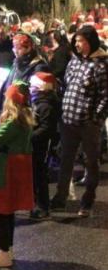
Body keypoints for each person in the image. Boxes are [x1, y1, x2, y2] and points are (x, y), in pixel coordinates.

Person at [51, 25, 108, 217]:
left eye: (81, 41)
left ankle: (87, 201)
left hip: (88, 124)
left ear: (91, 42)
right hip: (68, 120)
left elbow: (105, 96)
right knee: (66, 159)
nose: (77, 44)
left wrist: (95, 119)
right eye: (76, 41)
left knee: (91, 162)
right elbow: (67, 83)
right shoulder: (74, 61)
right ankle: (60, 198)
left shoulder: (101, 64)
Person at [0, 82, 34, 268]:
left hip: (5, 170)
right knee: (7, 211)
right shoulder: (23, 118)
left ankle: (4, 253)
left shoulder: (14, 121)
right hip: (13, 168)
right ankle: (6, 249)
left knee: (1, 210)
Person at [28, 72, 60, 220]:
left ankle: (43, 206)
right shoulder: (38, 101)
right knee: (35, 174)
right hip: (36, 143)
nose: (30, 88)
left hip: (42, 145)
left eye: (33, 86)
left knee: (40, 175)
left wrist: (30, 136)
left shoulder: (46, 105)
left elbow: (46, 128)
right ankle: (36, 203)